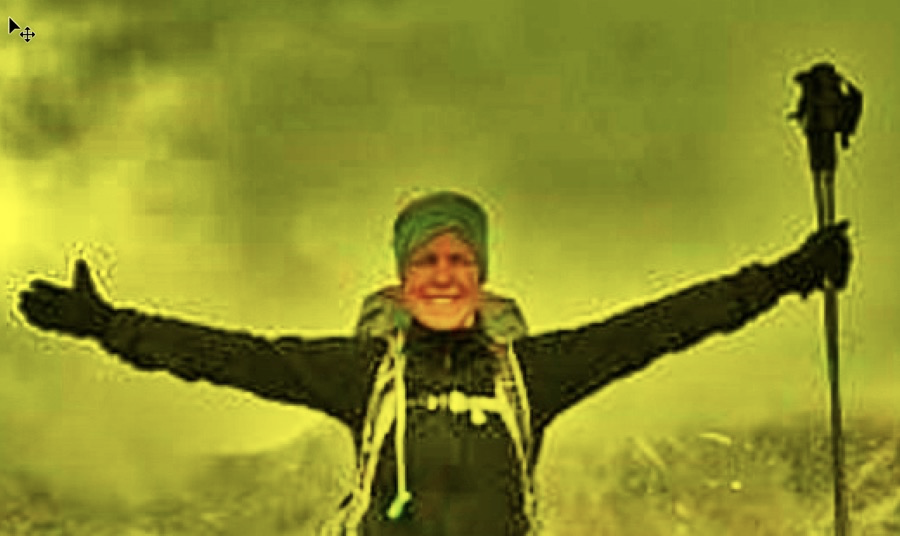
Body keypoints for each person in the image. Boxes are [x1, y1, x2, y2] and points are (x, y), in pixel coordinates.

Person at [17, 191, 852, 536]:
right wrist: (109, 326)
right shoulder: (362, 373)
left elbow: (660, 327)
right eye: (427, 261)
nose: (444, 274)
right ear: (404, 279)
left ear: (480, 276)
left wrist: (784, 277)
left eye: (459, 259)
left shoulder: (532, 373)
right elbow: (230, 358)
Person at [788, 62, 863, 228]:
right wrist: (845, 132)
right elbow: (854, 98)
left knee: (818, 176)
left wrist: (799, 116)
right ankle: (828, 220)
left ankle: (823, 222)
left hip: (815, 132)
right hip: (827, 132)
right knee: (828, 176)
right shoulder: (832, 92)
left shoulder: (811, 89)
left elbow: (804, 107)